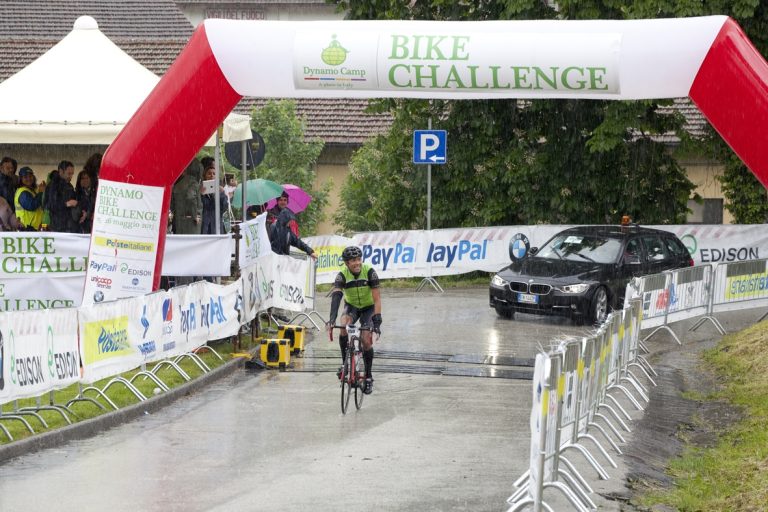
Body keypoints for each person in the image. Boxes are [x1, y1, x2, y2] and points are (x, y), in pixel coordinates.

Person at [325, 246, 383, 395]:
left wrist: (377, 322)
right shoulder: (342, 276)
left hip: (369, 307)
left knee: (365, 339)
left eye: (358, 259)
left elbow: (377, 299)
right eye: (353, 261)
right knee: (343, 324)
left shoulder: (369, 272)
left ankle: (368, 376)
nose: (357, 263)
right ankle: (345, 364)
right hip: (352, 307)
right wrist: (331, 320)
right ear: (346, 263)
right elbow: (336, 297)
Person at [45, 160, 79, 232]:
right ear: (61, 171)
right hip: (58, 227)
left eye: (72, 174)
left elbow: (75, 201)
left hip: (69, 226)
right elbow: (50, 205)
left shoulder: (69, 186)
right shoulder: (53, 186)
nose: (71, 177)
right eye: (68, 173)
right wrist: (66, 204)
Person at [200, 166, 228, 234]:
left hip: (217, 225)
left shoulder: (220, 190)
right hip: (204, 226)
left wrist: (221, 194)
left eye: (214, 173)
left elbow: (224, 208)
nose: (212, 175)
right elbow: (199, 207)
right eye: (209, 173)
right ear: (205, 176)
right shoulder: (200, 189)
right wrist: (201, 195)